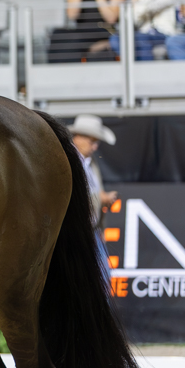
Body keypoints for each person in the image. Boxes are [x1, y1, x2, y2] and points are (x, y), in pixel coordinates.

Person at [66, 114, 118, 272]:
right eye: (92, 141)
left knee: (102, 277)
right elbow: (71, 195)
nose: (95, 147)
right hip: (75, 234)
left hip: (91, 232)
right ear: (79, 137)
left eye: (96, 142)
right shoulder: (67, 161)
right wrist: (99, 198)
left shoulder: (91, 163)